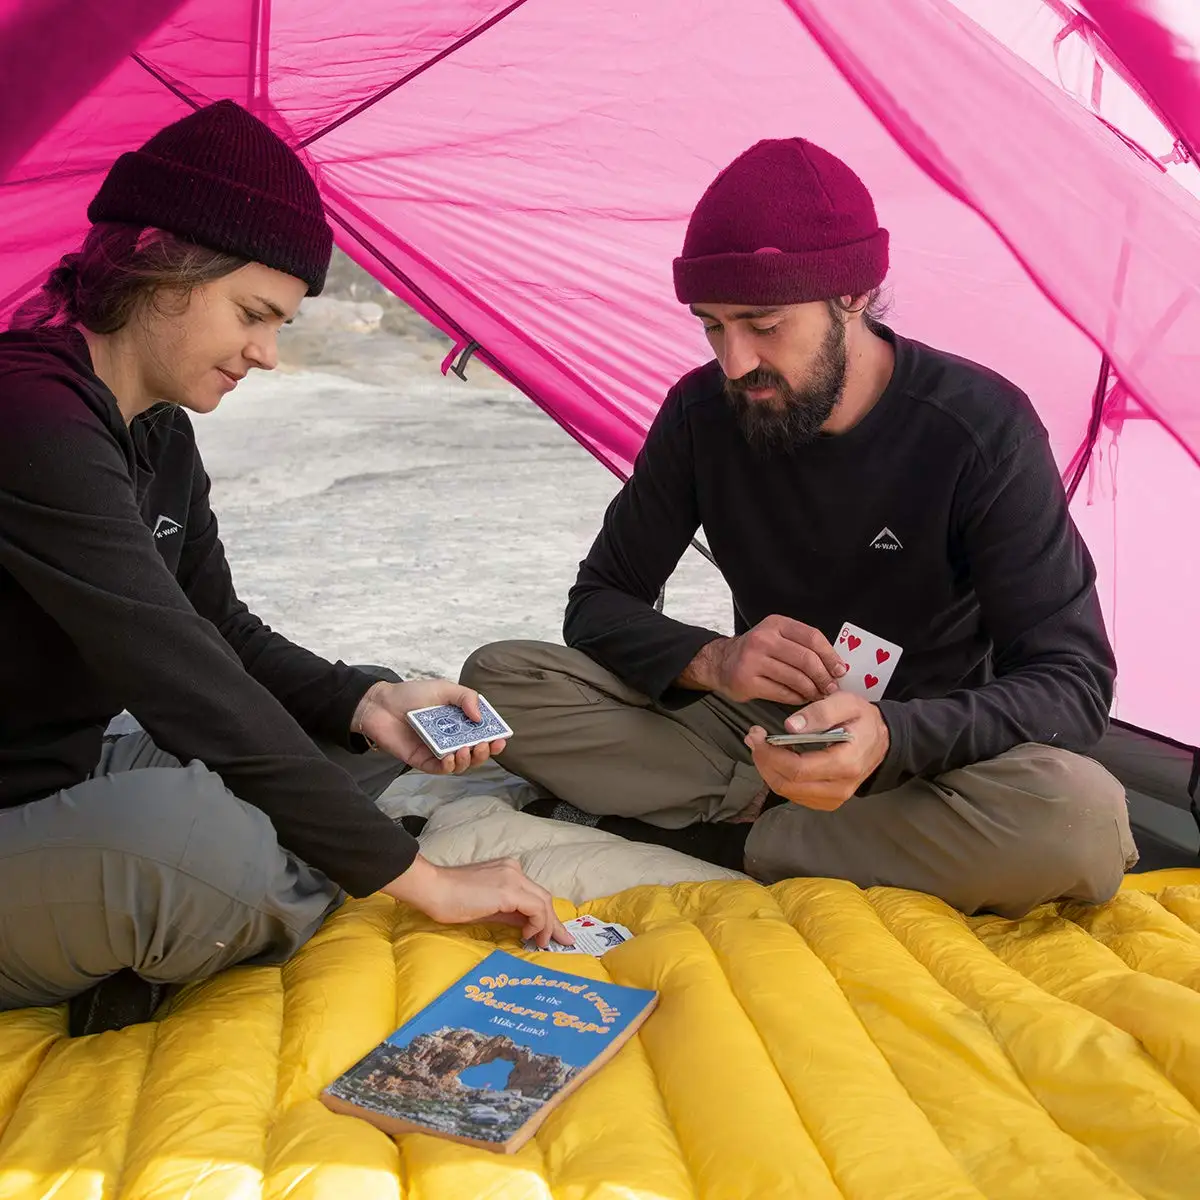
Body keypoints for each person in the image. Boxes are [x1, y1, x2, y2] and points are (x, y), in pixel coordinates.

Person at [0, 100, 569, 1037]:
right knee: (199, 837)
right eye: (253, 315)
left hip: (66, 777)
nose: (267, 353)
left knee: (347, 736)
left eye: (282, 323)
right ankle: (215, 897)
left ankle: (211, 900)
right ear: (160, 266)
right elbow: (179, 672)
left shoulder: (160, 432)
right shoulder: (29, 417)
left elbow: (219, 628)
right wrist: (423, 881)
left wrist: (366, 701)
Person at [462, 137, 1138, 919]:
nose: (734, 362)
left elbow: (1073, 680)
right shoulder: (701, 414)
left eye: (763, 323)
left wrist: (891, 736)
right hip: (756, 737)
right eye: (712, 326)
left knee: (1079, 819)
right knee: (498, 682)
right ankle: (788, 826)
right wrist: (715, 661)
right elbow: (599, 602)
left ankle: (737, 840)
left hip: (928, 759)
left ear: (854, 294)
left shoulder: (979, 427)